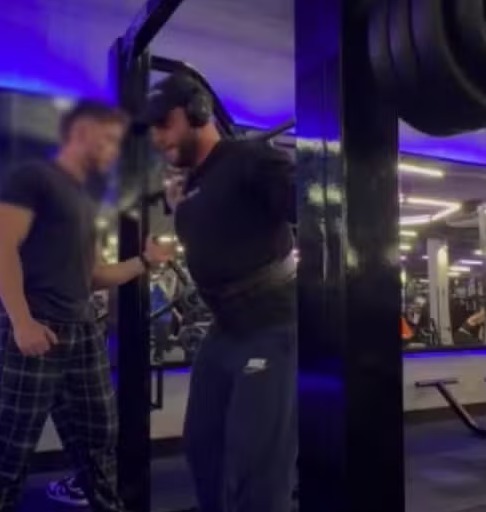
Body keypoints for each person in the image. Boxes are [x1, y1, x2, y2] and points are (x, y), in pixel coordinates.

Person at [0, 100, 172, 512]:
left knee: (100, 435)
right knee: (11, 446)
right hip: (38, 326)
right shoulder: (34, 177)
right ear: (80, 131)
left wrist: (145, 261)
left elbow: (91, 275)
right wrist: (21, 321)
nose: (114, 149)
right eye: (108, 139)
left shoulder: (84, 198)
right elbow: (2, 246)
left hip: (82, 330)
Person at [140, 73, 297, 512]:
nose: (157, 137)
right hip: (224, 330)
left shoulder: (251, 159)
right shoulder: (191, 185)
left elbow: (318, 205)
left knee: (255, 466)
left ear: (198, 112)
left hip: (272, 325)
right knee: (203, 447)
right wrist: (179, 205)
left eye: (163, 123)